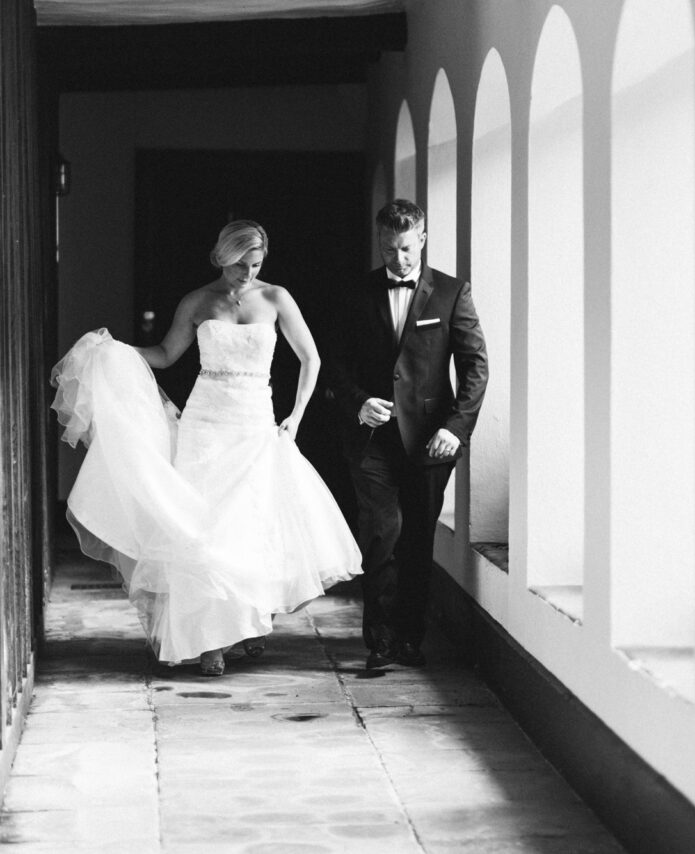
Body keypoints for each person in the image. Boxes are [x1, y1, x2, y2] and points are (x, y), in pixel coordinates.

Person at [50, 220, 361, 676]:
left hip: (255, 422)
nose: (247, 274)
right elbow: (166, 353)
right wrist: (116, 351)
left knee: (251, 527)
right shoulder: (197, 302)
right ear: (221, 257)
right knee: (202, 529)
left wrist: (295, 416)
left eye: (255, 265)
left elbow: (310, 358)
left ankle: (245, 622)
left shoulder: (276, 298)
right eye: (239, 265)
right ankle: (209, 641)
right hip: (206, 423)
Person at [325, 199, 487, 670]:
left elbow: (475, 367)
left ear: (422, 239)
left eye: (407, 249)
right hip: (372, 438)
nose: (399, 259)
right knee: (379, 535)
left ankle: (410, 637)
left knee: (418, 539)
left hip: (431, 440)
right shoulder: (355, 292)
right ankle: (379, 642)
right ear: (381, 243)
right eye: (390, 250)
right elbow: (334, 364)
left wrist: (456, 429)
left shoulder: (453, 293)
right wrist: (358, 402)